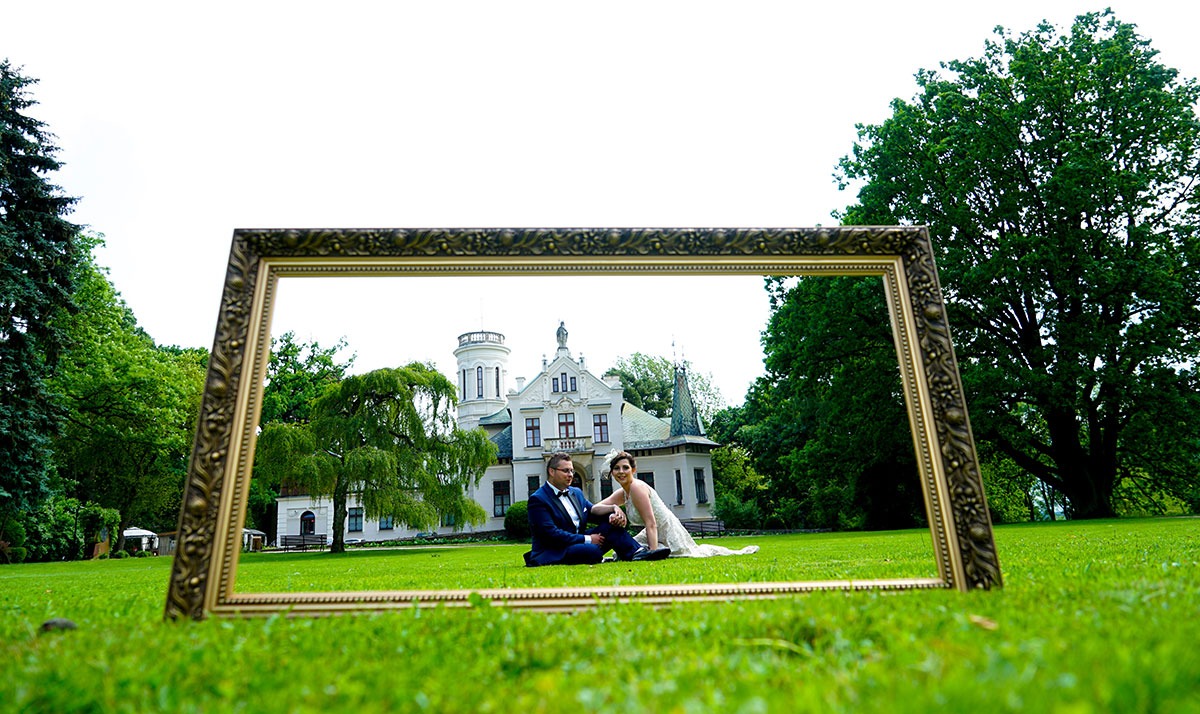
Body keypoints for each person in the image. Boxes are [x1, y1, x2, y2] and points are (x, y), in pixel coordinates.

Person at [597, 449, 759, 558]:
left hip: (667, 533)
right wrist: (614, 507)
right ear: (612, 472)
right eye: (617, 468)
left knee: (637, 551)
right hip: (652, 534)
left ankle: (656, 548)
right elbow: (596, 508)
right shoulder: (623, 493)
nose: (621, 472)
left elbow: (651, 523)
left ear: (633, 470)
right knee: (622, 552)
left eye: (625, 467)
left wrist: (652, 553)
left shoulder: (636, 487)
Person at [524, 452, 670, 566]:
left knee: (611, 525)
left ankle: (637, 553)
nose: (570, 475)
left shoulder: (576, 493)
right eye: (566, 471)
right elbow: (551, 535)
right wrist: (588, 539)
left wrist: (613, 510)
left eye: (572, 471)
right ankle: (609, 555)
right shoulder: (539, 499)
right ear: (552, 471)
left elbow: (592, 511)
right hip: (554, 549)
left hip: (578, 542)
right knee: (591, 550)